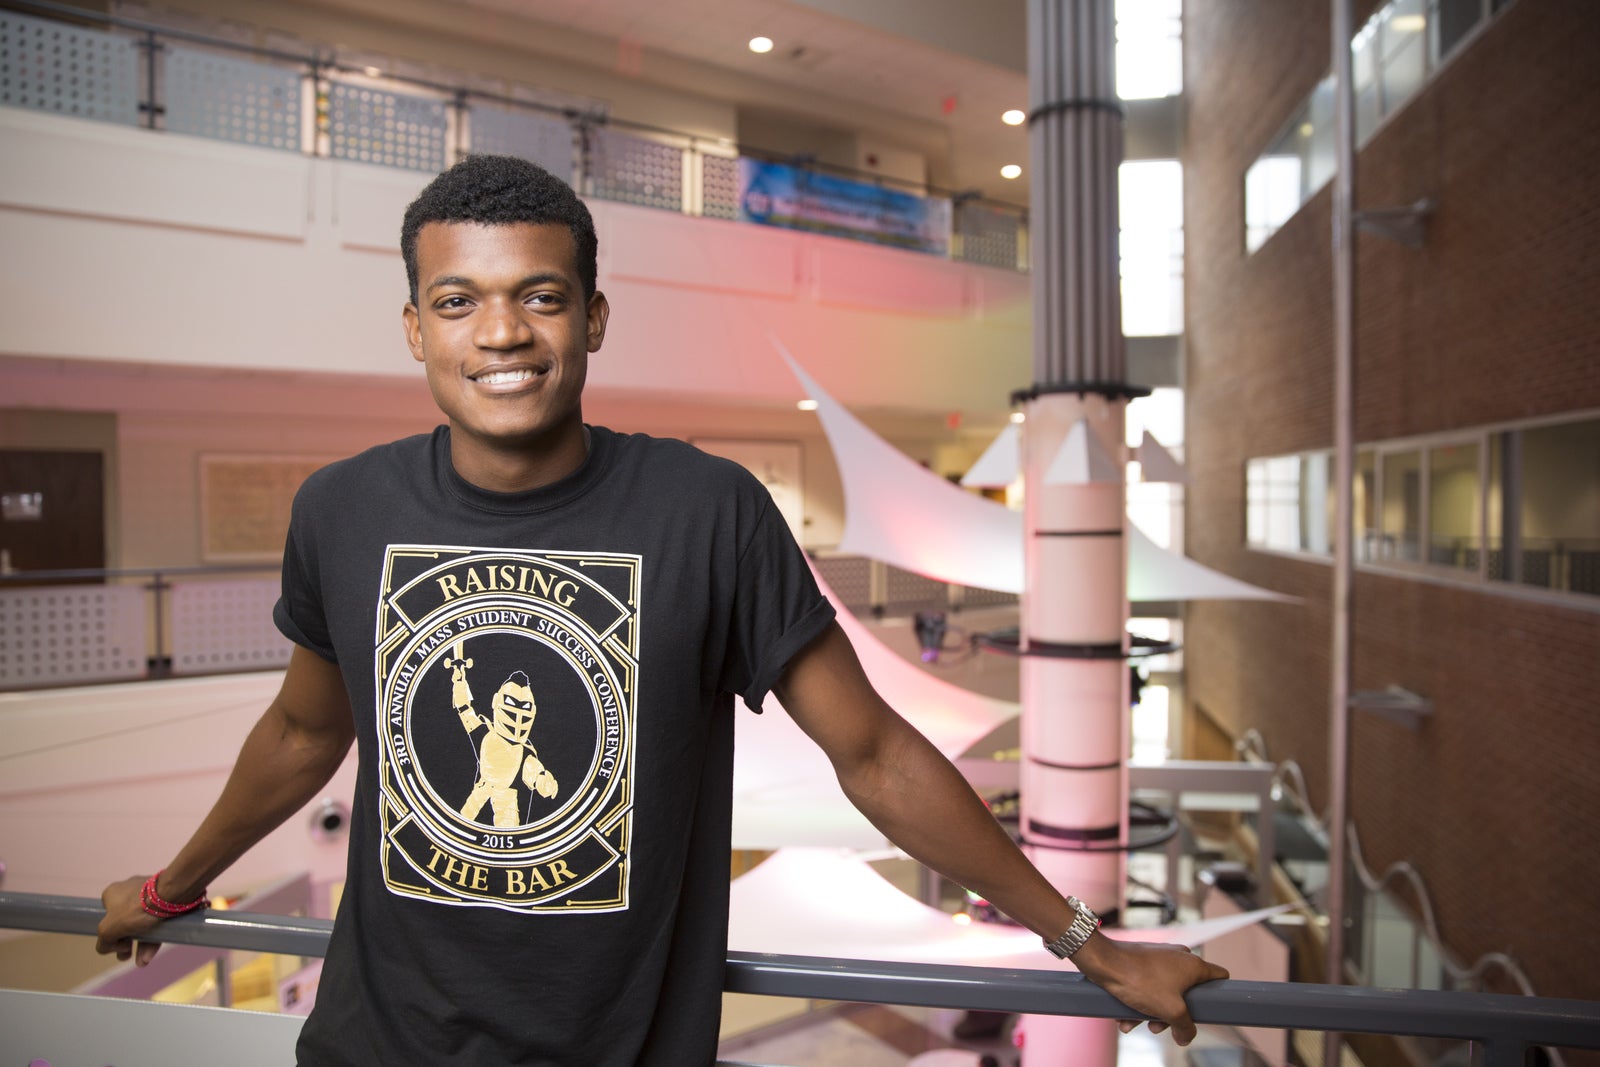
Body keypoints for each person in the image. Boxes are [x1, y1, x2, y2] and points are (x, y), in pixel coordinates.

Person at [96, 154, 1226, 1064]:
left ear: (593, 317)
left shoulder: (709, 510)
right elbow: (303, 731)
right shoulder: (341, 508)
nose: (500, 333)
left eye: (540, 296)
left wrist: (1088, 943)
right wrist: (170, 885)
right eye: (459, 301)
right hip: (374, 1043)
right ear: (415, 328)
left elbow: (874, 751)